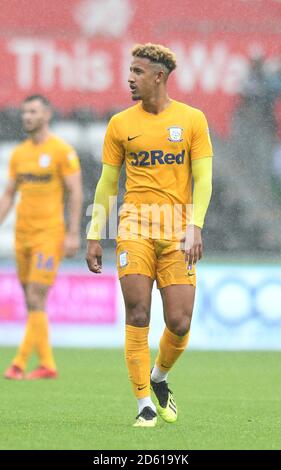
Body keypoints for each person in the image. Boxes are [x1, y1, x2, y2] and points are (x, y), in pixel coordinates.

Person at [86, 43, 213, 427]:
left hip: (177, 231)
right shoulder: (120, 124)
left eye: (138, 72)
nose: (130, 78)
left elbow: (203, 177)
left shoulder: (192, 120)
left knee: (179, 322)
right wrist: (95, 234)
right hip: (134, 227)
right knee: (138, 311)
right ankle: (142, 401)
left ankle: (159, 376)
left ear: (159, 76)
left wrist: (196, 225)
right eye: (130, 71)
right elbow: (108, 183)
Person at [0, 95, 83, 380]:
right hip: (23, 234)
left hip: (49, 234)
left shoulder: (62, 151)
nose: (27, 117)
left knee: (36, 295)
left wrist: (73, 233)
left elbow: (75, 191)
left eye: (33, 111)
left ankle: (19, 362)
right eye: (24, 112)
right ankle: (47, 363)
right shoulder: (19, 154)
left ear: (47, 115)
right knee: (32, 300)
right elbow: (9, 194)